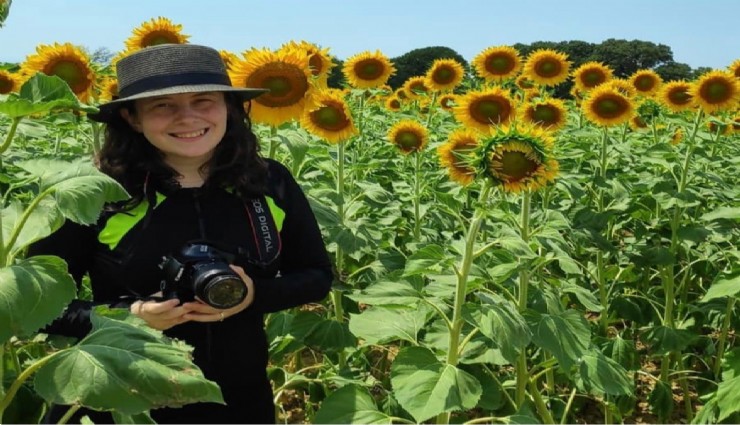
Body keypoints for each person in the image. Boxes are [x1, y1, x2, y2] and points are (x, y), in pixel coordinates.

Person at [29, 43, 333, 424]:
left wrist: (254, 295)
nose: (187, 118)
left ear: (228, 107)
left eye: (203, 100)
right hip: (123, 398)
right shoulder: (95, 193)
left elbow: (316, 276)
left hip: (237, 400)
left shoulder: (268, 181)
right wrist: (130, 315)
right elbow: (39, 308)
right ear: (132, 117)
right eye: (163, 105)